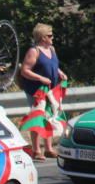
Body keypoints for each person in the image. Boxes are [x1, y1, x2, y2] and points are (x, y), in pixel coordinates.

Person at [19, 23, 67, 161]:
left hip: (51, 89)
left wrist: (60, 73)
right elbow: (25, 71)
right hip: (36, 90)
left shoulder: (51, 49)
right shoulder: (34, 51)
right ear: (42, 37)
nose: (53, 37)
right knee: (38, 117)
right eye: (50, 35)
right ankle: (36, 150)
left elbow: (53, 65)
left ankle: (49, 148)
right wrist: (41, 78)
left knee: (49, 117)